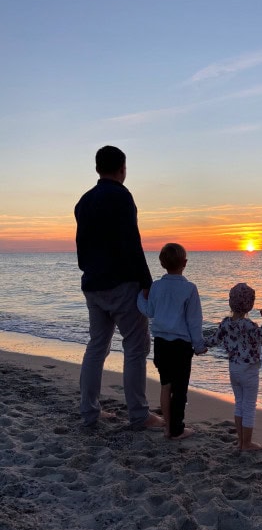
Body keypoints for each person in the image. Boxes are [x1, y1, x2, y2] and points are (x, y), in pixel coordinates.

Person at [75, 145, 164, 430]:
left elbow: (81, 249)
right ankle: (139, 414)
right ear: (122, 168)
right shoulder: (122, 196)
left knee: (97, 346)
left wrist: (90, 270)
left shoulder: (84, 201)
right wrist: (147, 282)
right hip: (122, 282)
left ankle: (89, 412)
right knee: (136, 347)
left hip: (93, 283)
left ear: (98, 168)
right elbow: (131, 243)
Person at [137, 243, 206, 439]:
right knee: (180, 389)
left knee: (166, 385)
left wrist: (140, 298)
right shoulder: (189, 289)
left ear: (161, 263)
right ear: (185, 263)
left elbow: (149, 311)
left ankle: (168, 427)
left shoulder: (156, 287)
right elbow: (194, 321)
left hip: (161, 344)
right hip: (181, 346)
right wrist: (199, 345)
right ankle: (177, 429)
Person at [205, 283, 262, 451]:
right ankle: (246, 444)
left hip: (233, 369)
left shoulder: (225, 323)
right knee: (249, 405)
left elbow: (213, 340)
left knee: (239, 403)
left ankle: (241, 441)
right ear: (249, 305)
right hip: (249, 370)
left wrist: (198, 345)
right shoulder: (249, 325)